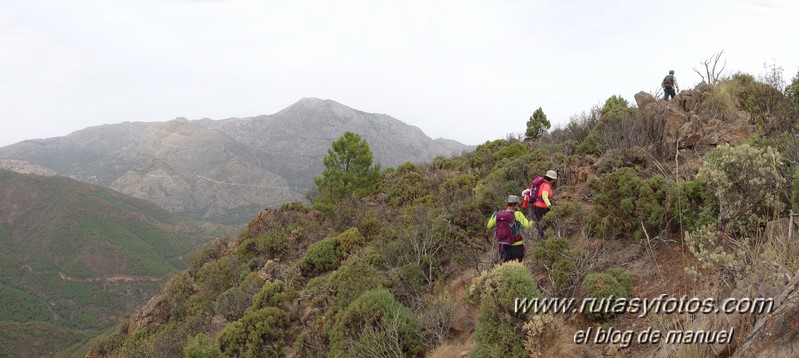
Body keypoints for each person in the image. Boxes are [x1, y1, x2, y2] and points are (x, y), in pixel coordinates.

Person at [487, 195, 532, 262]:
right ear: (516, 204)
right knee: (518, 269)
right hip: (517, 246)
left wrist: (494, 214)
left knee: (507, 270)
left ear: (507, 204)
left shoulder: (499, 214)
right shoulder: (517, 214)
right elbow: (528, 226)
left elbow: (489, 226)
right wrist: (533, 221)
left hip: (503, 247)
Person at [532, 170, 557, 239]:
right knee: (544, 225)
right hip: (542, 208)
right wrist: (549, 206)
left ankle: (541, 239)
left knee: (541, 224)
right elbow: (544, 196)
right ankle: (544, 240)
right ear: (552, 179)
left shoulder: (543, 184)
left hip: (536, 206)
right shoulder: (546, 185)